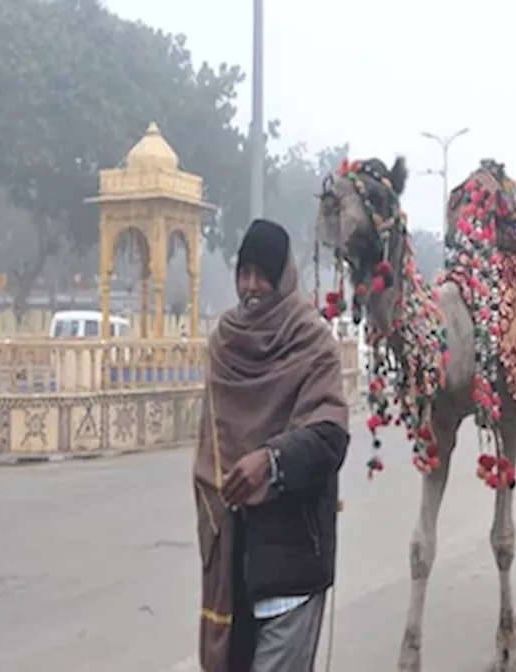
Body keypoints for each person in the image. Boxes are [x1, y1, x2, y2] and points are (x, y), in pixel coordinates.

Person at [193, 219, 351, 672]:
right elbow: (211, 447)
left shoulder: (312, 343)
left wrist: (272, 461)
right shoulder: (225, 344)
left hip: (291, 561)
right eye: (244, 273)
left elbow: (330, 436)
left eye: (264, 273)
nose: (252, 285)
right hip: (233, 562)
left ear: (284, 277)